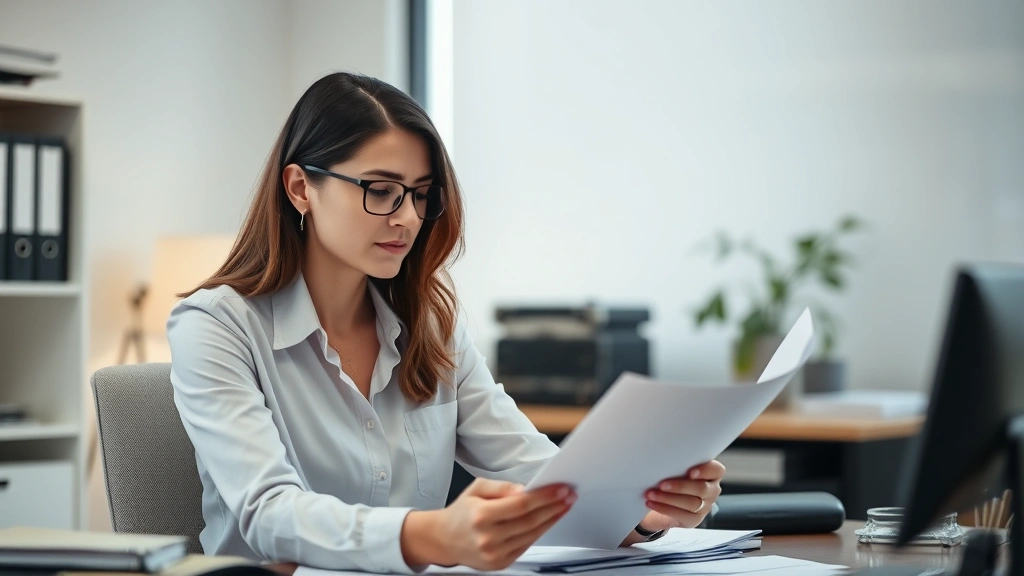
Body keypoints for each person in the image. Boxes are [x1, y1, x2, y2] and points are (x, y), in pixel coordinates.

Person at [167, 72, 724, 574]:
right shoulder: (214, 326)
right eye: (380, 191)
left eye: (420, 195)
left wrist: (643, 511)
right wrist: (432, 534)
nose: (408, 217)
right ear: (300, 188)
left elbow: (545, 480)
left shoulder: (429, 323)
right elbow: (268, 515)